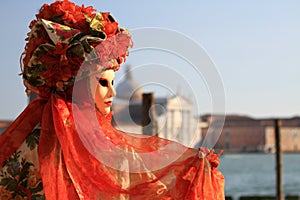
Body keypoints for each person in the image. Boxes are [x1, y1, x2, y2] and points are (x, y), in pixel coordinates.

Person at [0, 1, 225, 199]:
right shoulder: (62, 143)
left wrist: (193, 166)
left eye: (112, 83)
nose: (113, 94)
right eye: (102, 83)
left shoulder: (29, 139)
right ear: (74, 86)